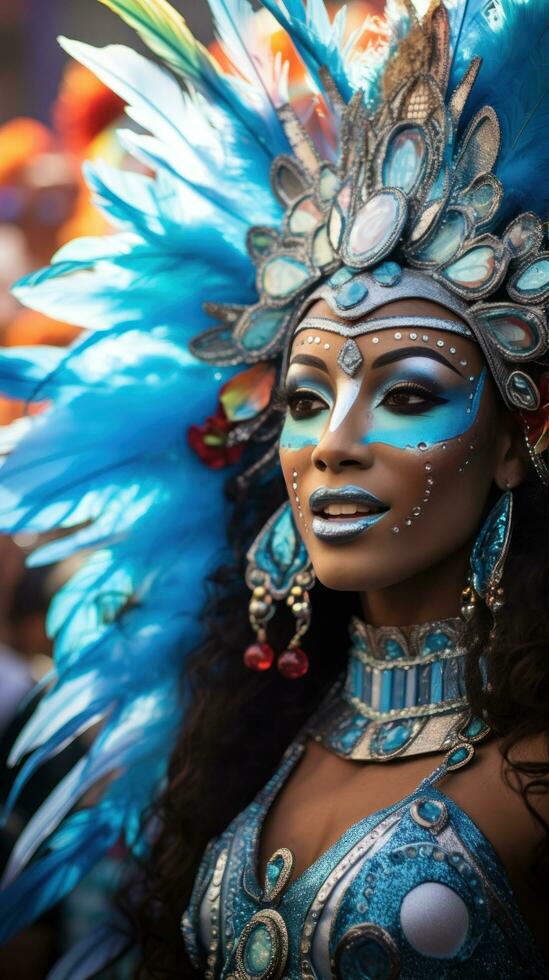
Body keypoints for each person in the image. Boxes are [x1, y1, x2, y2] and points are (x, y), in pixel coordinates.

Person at [0, 0, 547, 978]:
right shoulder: (247, 742)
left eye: (409, 391)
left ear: (514, 441)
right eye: (304, 396)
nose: (335, 443)